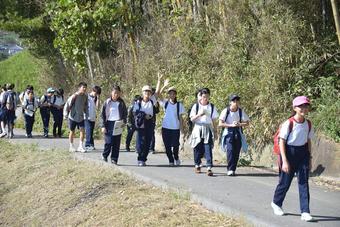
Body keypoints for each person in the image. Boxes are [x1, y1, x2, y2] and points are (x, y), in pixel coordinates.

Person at [271, 96, 314, 222]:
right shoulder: (288, 123)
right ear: (295, 108)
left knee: (303, 182)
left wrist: (310, 158)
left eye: (306, 106)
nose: (303, 108)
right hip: (289, 153)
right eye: (301, 106)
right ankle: (276, 203)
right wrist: (284, 160)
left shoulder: (308, 124)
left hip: (303, 154)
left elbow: (309, 141)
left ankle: (305, 211)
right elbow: (281, 142)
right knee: (285, 182)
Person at [189, 88, 218, 176]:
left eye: (207, 97)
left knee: (208, 147)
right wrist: (200, 114)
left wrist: (215, 131)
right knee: (197, 147)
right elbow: (192, 119)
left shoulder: (212, 107)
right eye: (204, 96)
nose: (205, 98)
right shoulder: (196, 106)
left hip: (208, 128)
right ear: (201, 97)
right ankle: (197, 165)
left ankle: (209, 167)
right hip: (198, 127)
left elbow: (214, 120)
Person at [219, 94, 250, 176]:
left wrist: (239, 124)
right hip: (228, 132)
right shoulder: (226, 111)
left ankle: (233, 169)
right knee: (230, 150)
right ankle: (229, 169)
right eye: (234, 101)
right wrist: (230, 125)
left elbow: (247, 123)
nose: (235, 103)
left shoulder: (240, 111)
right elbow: (220, 123)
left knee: (236, 151)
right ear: (230, 102)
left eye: (237, 101)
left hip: (238, 132)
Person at [99, 85, 127, 164]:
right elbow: (102, 115)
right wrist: (103, 126)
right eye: (115, 93)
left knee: (116, 142)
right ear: (111, 93)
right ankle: (105, 155)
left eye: (118, 93)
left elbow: (125, 113)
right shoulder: (107, 102)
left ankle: (114, 158)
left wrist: (123, 122)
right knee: (109, 142)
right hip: (109, 124)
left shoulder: (121, 103)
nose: (116, 95)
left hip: (118, 123)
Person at [159, 86, 186, 166]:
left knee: (175, 145)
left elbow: (181, 118)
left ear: (175, 95)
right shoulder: (165, 103)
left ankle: (176, 157)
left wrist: (182, 130)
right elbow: (158, 94)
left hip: (175, 128)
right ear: (168, 95)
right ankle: (171, 160)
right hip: (165, 128)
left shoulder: (179, 105)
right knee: (167, 146)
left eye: (173, 94)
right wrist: (164, 86)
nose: (172, 95)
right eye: (170, 93)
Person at [133, 85, 159, 166]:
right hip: (141, 123)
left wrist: (159, 81)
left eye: (148, 91)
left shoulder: (152, 100)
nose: (147, 93)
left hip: (150, 123)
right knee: (140, 142)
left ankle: (143, 159)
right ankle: (140, 158)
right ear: (142, 93)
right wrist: (144, 115)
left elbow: (157, 93)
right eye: (145, 91)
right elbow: (135, 112)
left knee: (148, 142)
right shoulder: (138, 102)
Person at [63, 82, 88, 152]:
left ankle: (80, 146)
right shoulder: (74, 96)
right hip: (72, 117)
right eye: (83, 87)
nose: (84, 89)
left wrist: (87, 114)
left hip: (81, 117)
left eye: (85, 87)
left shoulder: (85, 96)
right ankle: (71, 146)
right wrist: (65, 115)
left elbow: (86, 106)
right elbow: (67, 105)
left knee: (82, 131)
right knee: (72, 132)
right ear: (79, 88)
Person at [85, 85, 101, 151]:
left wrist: (98, 98)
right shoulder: (87, 97)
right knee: (88, 131)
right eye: (96, 93)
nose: (96, 95)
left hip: (93, 117)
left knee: (91, 131)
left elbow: (97, 107)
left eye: (97, 94)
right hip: (86, 117)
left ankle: (91, 145)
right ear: (93, 91)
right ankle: (87, 145)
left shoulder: (96, 98)